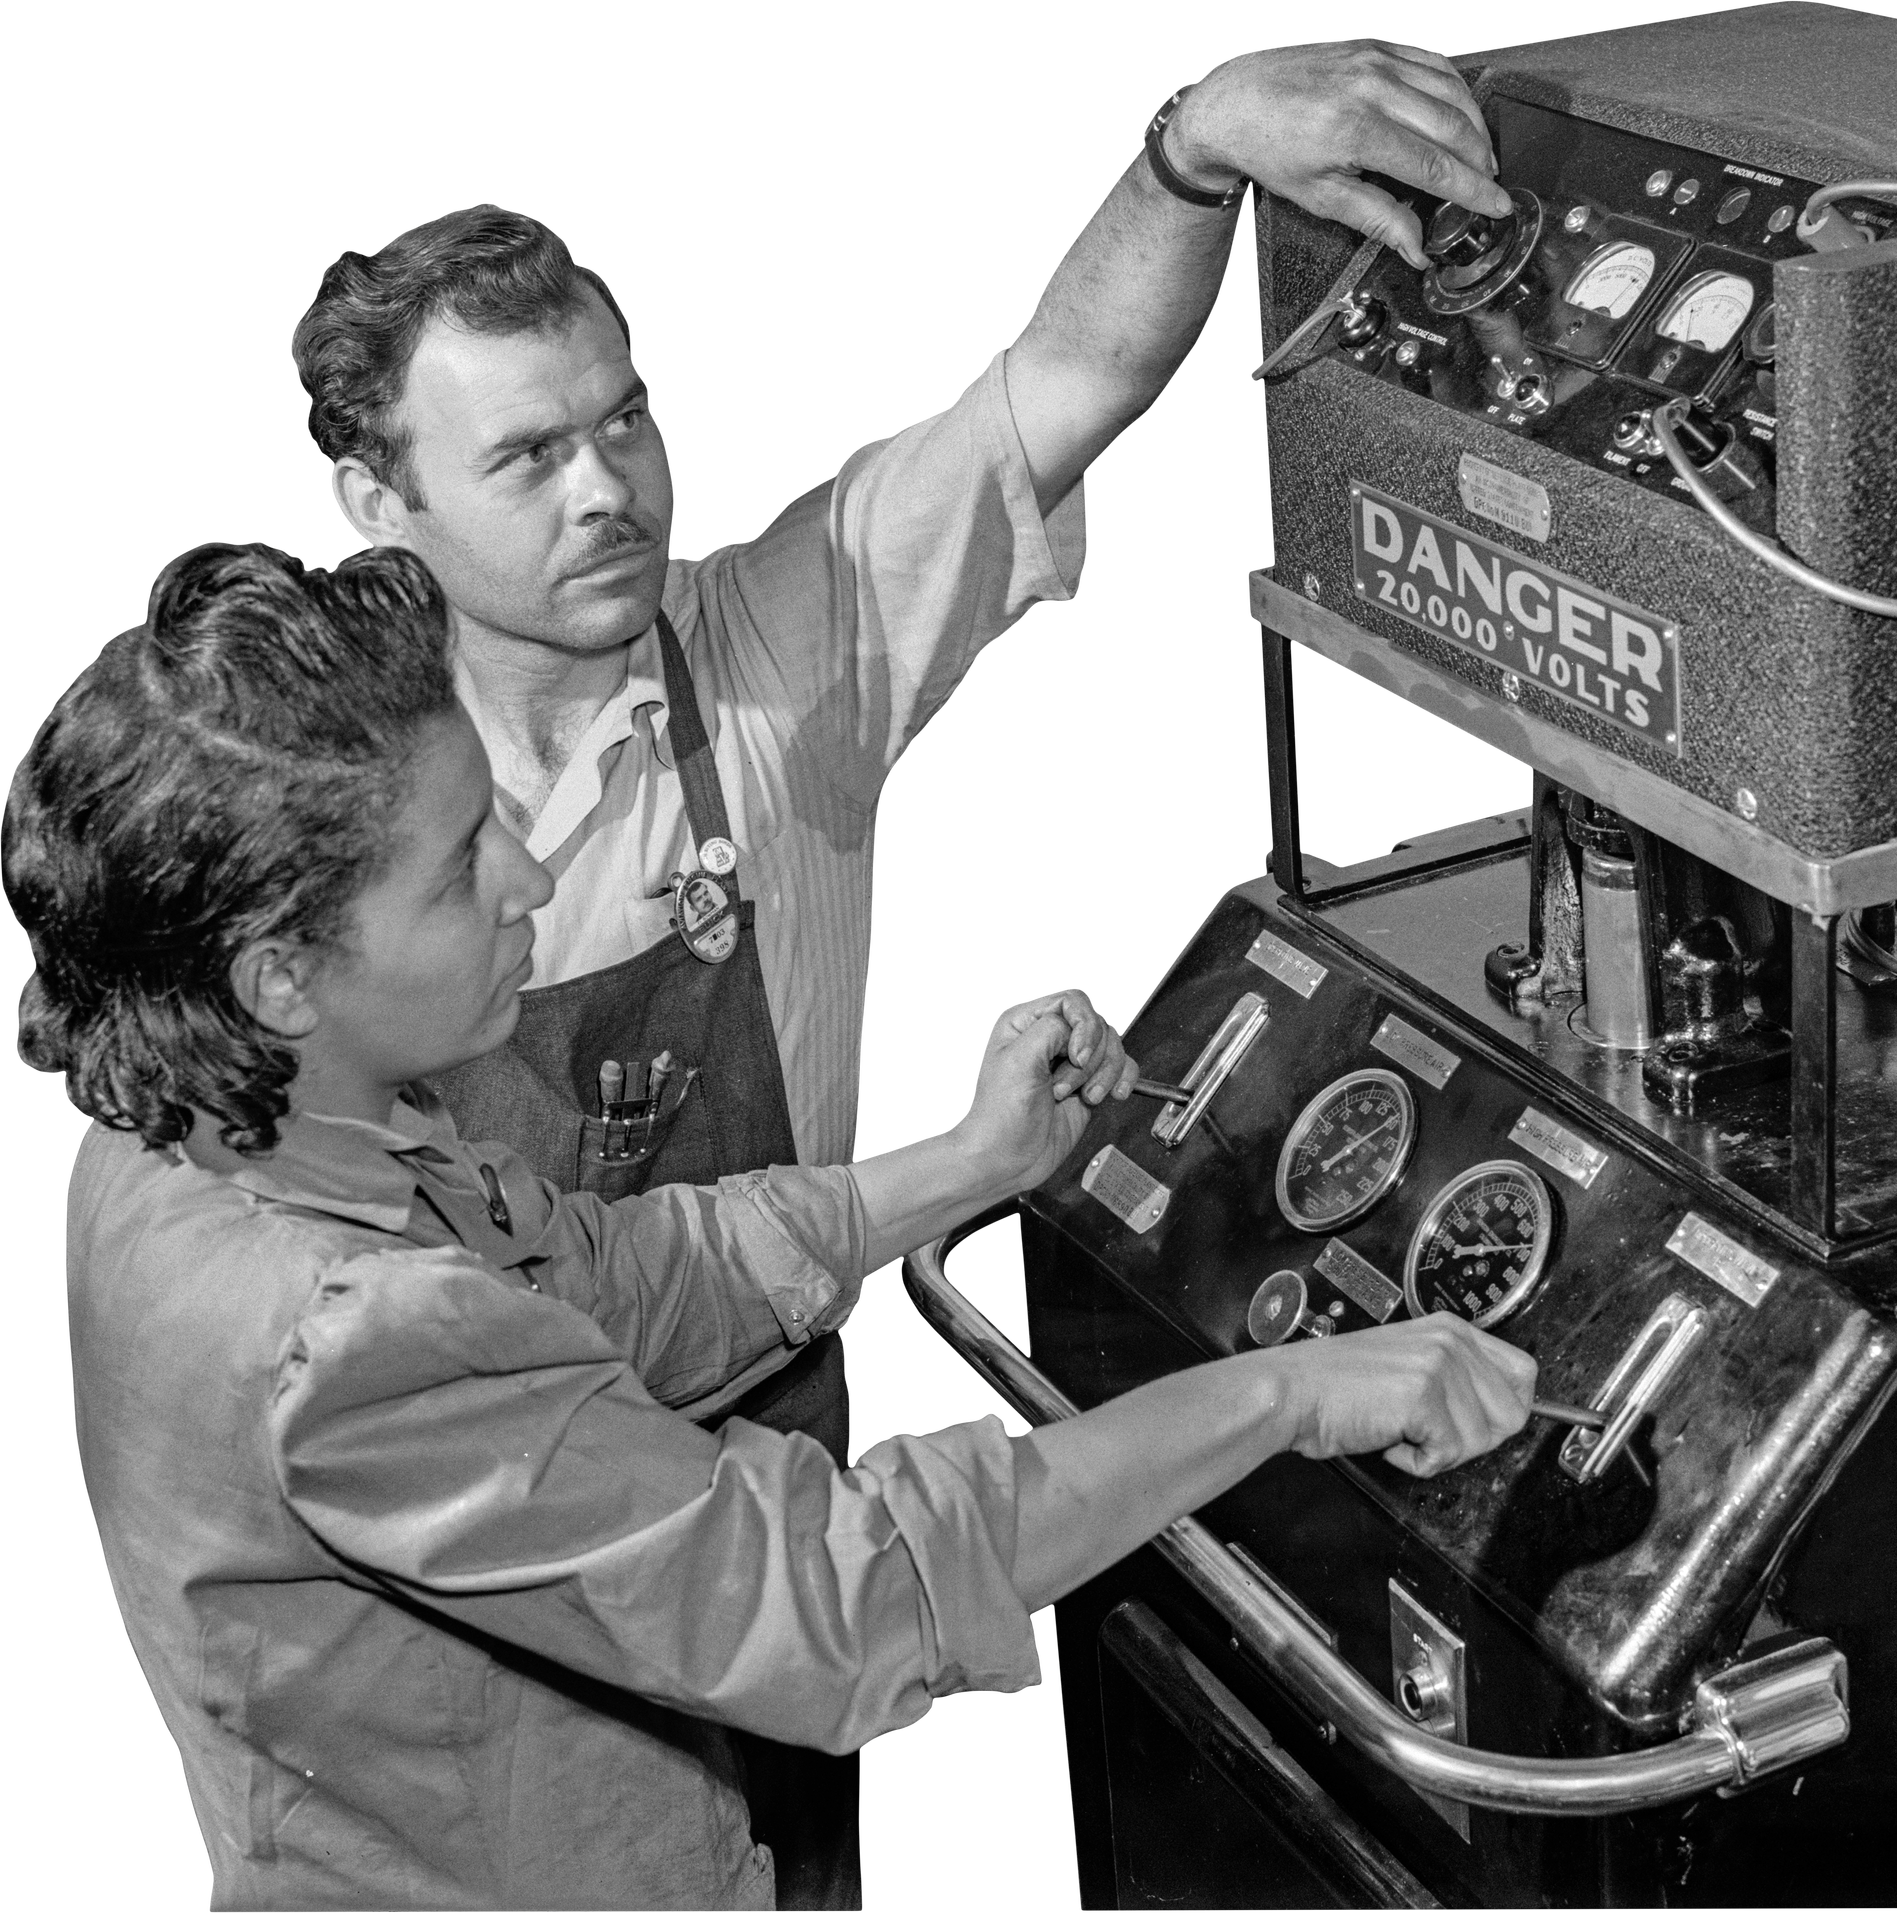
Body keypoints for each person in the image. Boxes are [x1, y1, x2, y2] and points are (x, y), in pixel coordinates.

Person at [287, 47, 1511, 1896]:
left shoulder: (775, 654)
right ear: (376, 505)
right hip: (457, 1532)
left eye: (624, 421)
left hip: (774, 1447)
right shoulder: (311, 802)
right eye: (526, 456)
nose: (608, 489)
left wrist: (1190, 159)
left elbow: (1059, 387)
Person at [4, 542, 1539, 1913]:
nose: (529, 875)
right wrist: (1283, 1391)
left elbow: (616, 1273)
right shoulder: (342, 1331)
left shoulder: (208, 1119)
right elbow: (833, 1599)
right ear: (279, 974)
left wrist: (963, 1166)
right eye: (460, 865)